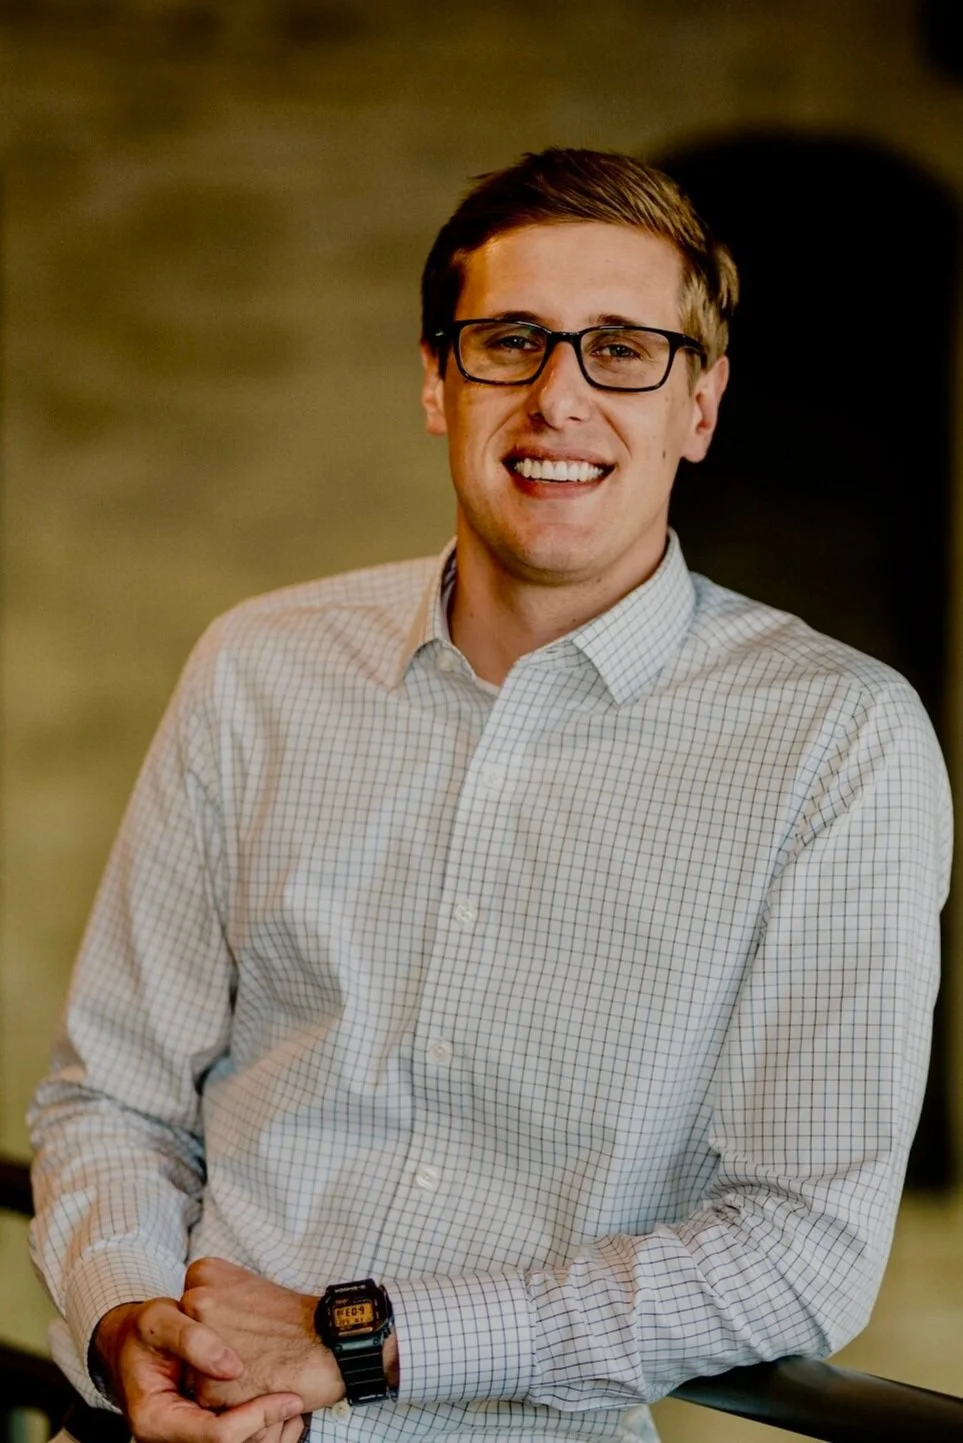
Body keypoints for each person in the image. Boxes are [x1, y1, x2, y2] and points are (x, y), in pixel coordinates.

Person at [29, 147, 952, 1443]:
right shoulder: (257, 667)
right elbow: (111, 1099)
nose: (559, 398)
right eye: (510, 342)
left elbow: (802, 1248)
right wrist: (131, 1321)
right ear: (436, 380)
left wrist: (362, 1341)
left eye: (622, 349)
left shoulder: (838, 739)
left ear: (700, 405)